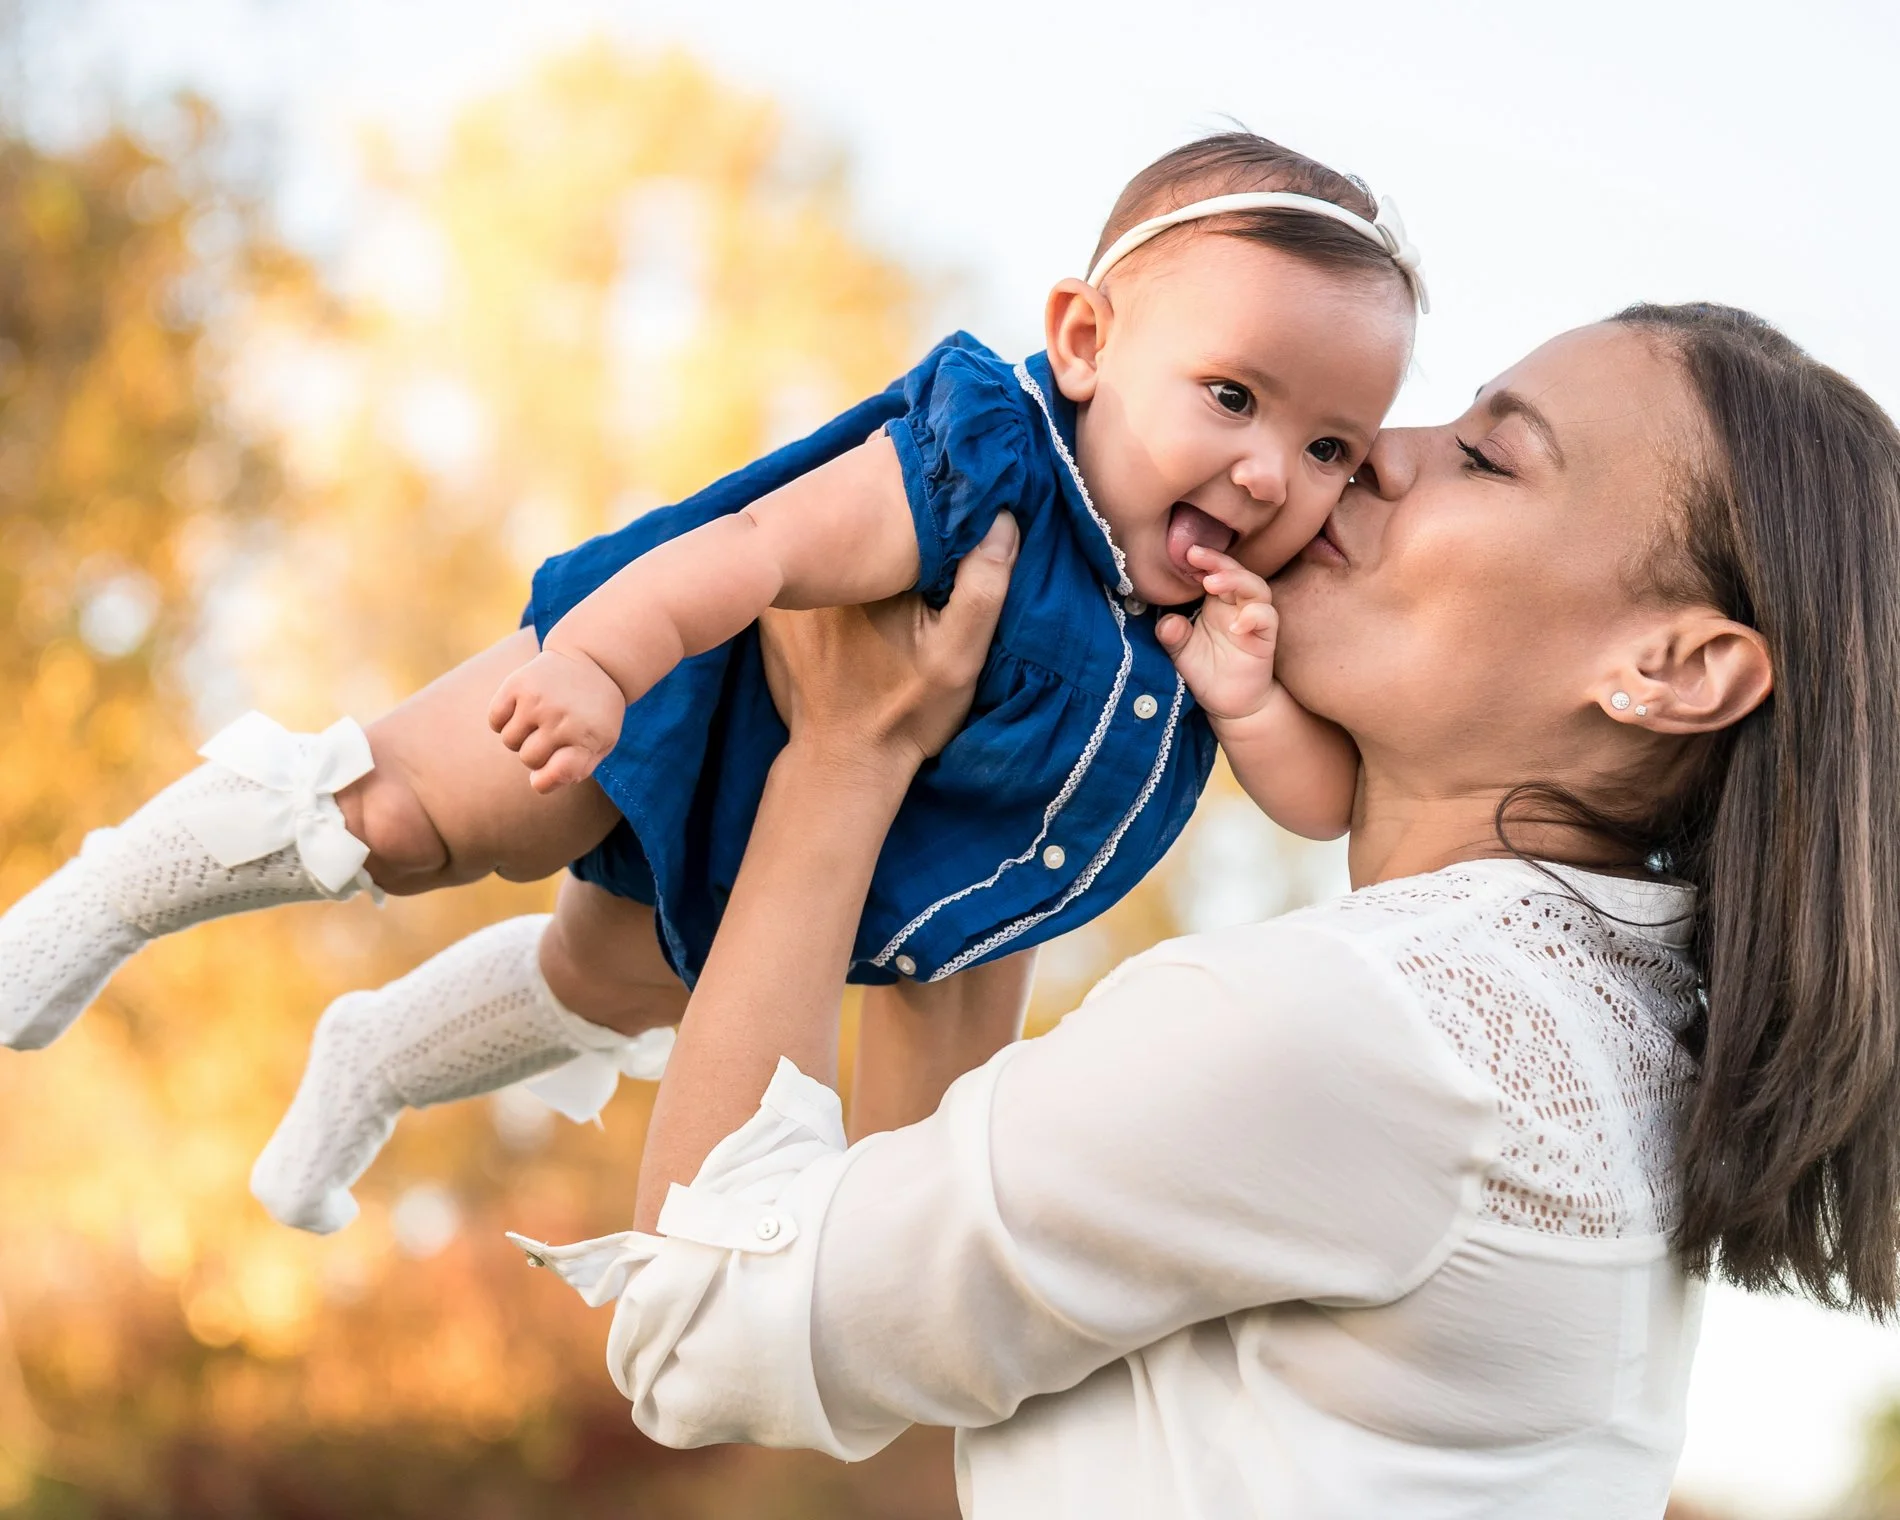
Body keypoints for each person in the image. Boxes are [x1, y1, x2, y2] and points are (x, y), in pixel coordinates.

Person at [510, 302, 1900, 1518]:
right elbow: (912, 1254)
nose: (1380, 453)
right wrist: (1008, 764)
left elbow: (696, 1327)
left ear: (1675, 668)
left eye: (1486, 456)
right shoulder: (1596, 1039)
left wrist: (842, 756)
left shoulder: (1362, 1027)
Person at [0, 132, 1421, 1234]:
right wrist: (603, 670)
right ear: (1089, 341)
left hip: (820, 890)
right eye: (1233, 397)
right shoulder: (988, 469)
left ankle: (374, 1061)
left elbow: (1315, 808)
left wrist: (1247, 702)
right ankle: (109, 893)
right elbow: (756, 544)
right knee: (412, 818)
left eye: (1331, 450)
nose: (1267, 474)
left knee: (602, 981)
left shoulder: (1221, 622)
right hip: (673, 699)